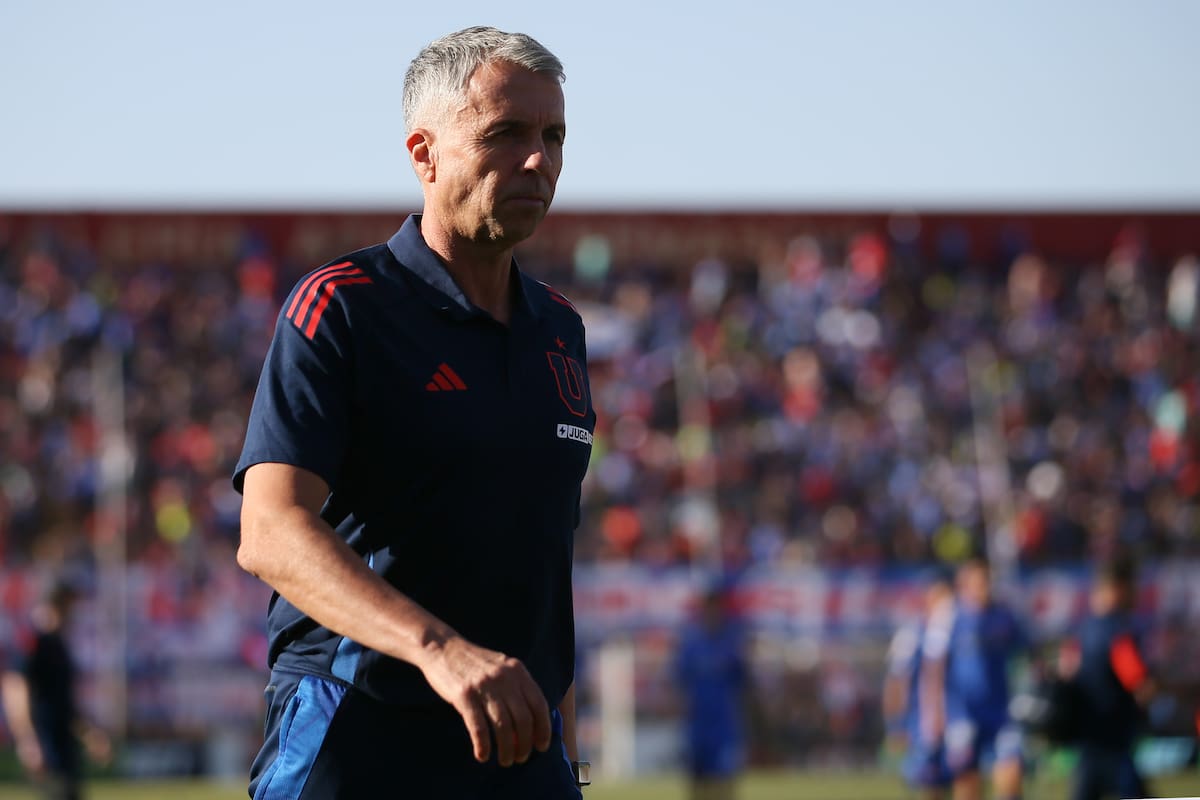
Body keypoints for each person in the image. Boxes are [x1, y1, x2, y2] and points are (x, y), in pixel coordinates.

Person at [233, 26, 594, 799]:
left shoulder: (561, 329)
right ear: (424, 154)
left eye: (553, 136)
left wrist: (565, 744)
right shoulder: (343, 306)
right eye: (506, 133)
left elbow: (543, 555)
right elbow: (269, 532)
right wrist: (440, 650)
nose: (539, 160)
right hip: (356, 728)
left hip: (518, 748)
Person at [1, 580, 110, 800]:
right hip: (45, 742)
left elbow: (63, 702)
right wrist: (27, 740)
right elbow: (14, 687)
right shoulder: (34, 640)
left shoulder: (58, 643)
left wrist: (88, 734)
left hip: (63, 743)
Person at [1058, 556, 1154, 800]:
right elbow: (1140, 684)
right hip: (1113, 742)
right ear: (1118, 589)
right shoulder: (1117, 632)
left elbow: (1066, 672)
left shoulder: (1081, 630)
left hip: (1089, 739)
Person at [940, 557, 1028, 800]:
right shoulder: (950, 618)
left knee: (1011, 772)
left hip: (1002, 712)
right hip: (963, 713)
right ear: (964, 585)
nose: (984, 587)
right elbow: (936, 668)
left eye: (987, 581)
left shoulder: (1004, 617)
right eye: (978, 582)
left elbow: (1026, 652)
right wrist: (936, 711)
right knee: (966, 779)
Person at [882, 568, 956, 800]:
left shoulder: (962, 630)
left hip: (958, 718)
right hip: (923, 724)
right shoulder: (911, 635)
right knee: (930, 783)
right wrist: (895, 725)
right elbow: (896, 682)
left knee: (963, 779)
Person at [673, 583, 749, 800]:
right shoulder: (691, 644)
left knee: (725, 778)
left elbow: (743, 683)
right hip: (698, 722)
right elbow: (680, 681)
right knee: (697, 778)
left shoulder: (731, 643)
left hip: (724, 722)